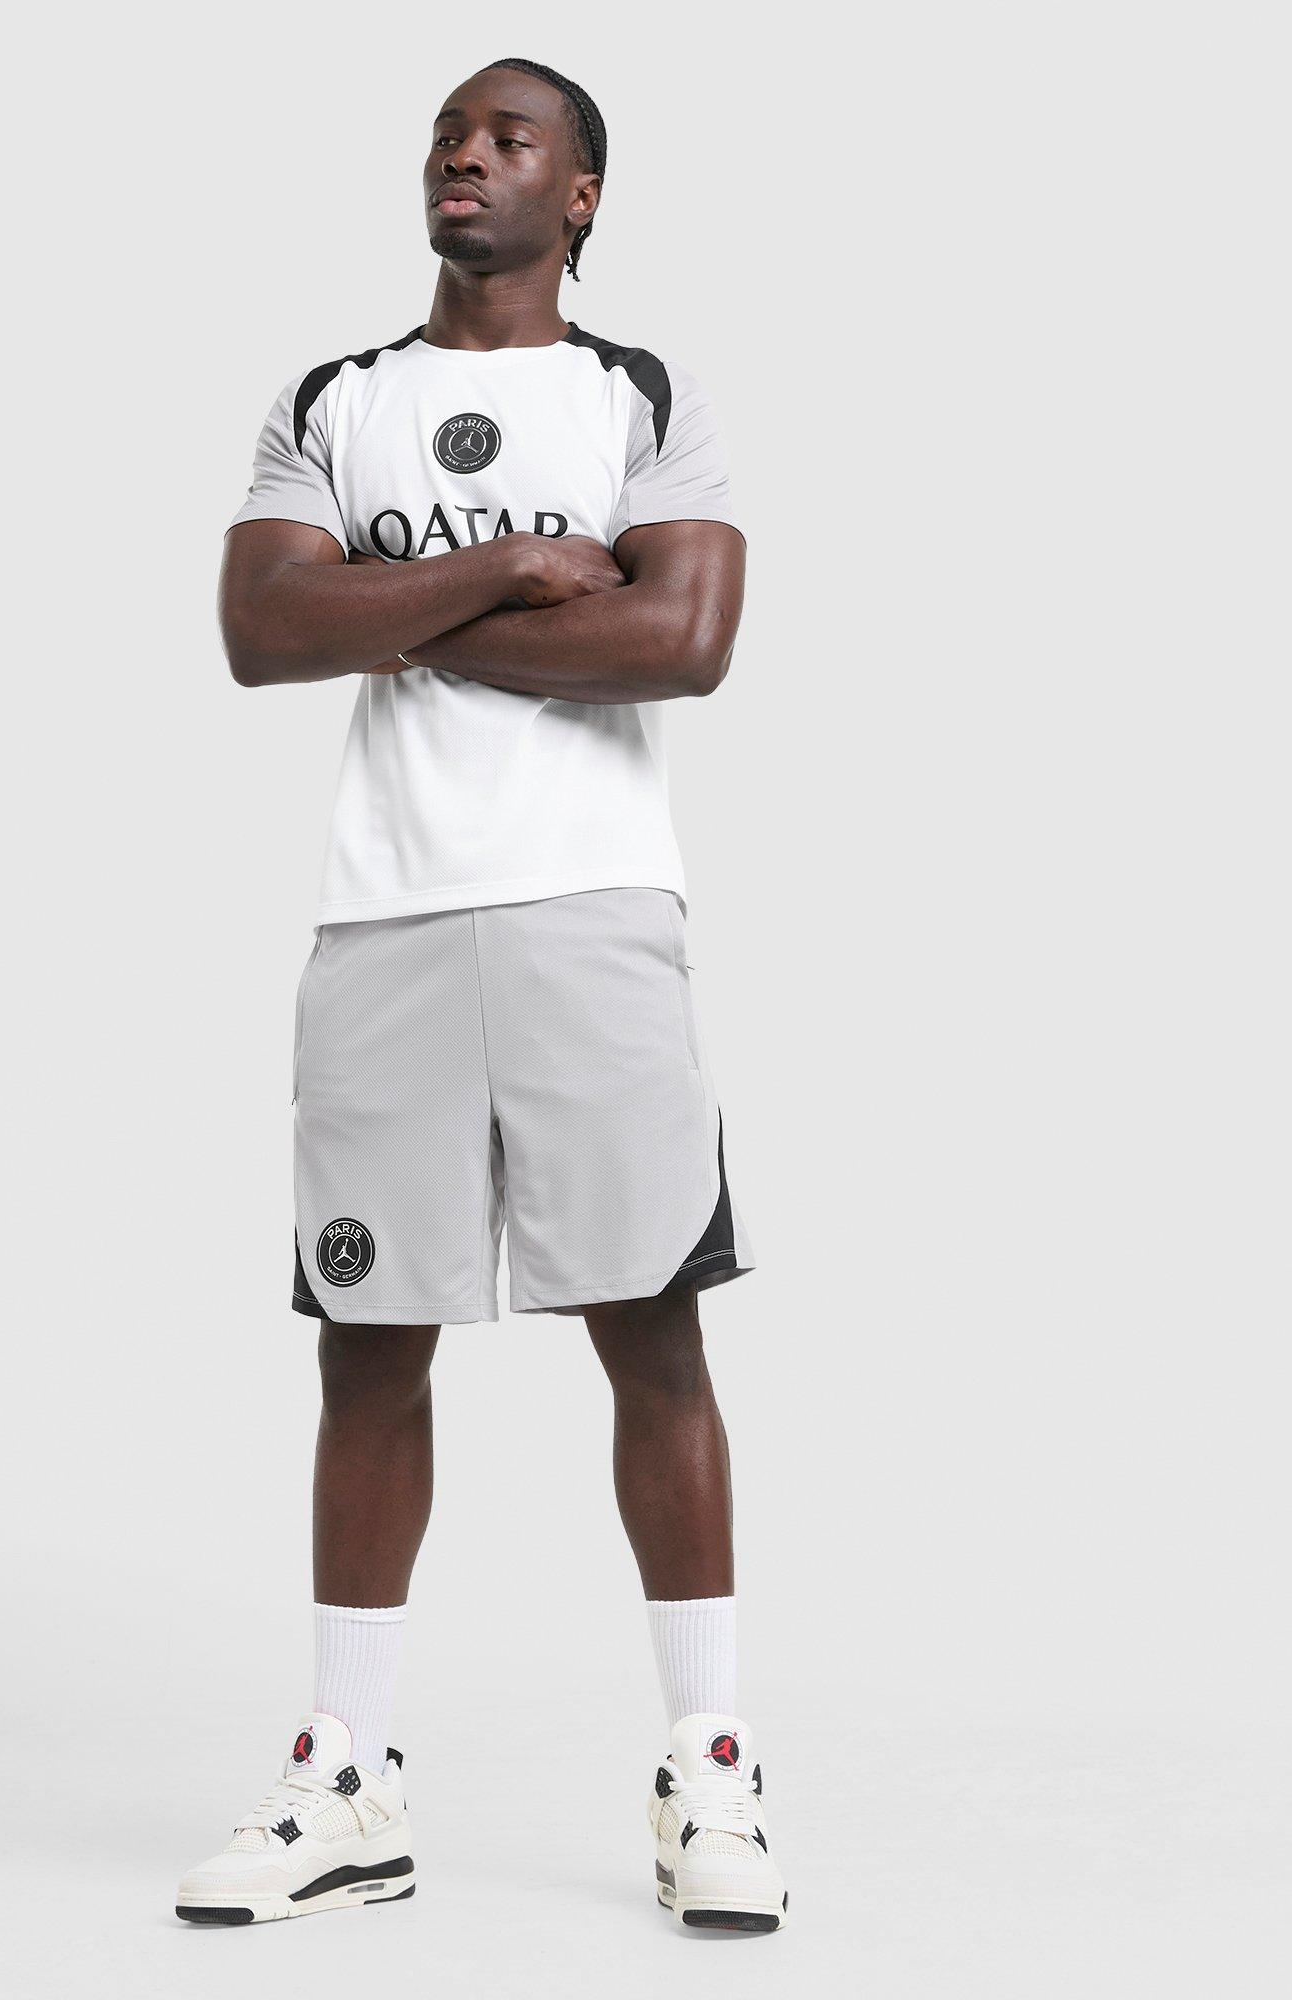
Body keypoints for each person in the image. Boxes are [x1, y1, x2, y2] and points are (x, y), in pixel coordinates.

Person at [176, 57, 787, 1936]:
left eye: (512, 137)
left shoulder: (641, 393)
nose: (466, 154)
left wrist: (402, 608)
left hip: (594, 909)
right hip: (386, 920)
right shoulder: (332, 399)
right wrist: (520, 573)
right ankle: (348, 1778)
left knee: (652, 1330)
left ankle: (710, 1770)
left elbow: (682, 637)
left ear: (580, 194)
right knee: (370, 1345)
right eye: (449, 132)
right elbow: (261, 630)